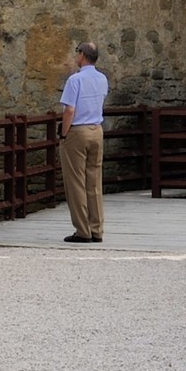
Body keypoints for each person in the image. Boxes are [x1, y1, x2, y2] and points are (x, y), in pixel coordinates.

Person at [59, 43, 108, 243]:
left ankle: (82, 230)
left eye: (77, 52)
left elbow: (69, 110)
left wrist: (64, 134)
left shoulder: (75, 79)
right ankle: (97, 229)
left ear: (82, 55)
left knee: (76, 182)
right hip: (96, 130)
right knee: (94, 182)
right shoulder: (102, 78)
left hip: (78, 131)